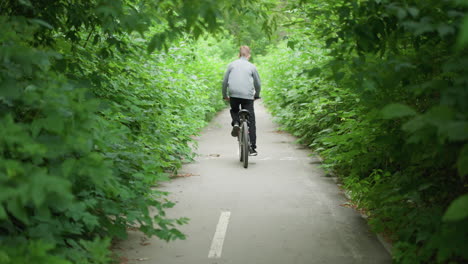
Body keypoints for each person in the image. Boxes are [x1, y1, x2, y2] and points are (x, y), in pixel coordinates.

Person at [222, 46, 261, 156]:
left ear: (238, 55)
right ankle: (252, 148)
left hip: (234, 94)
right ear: (249, 55)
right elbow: (258, 84)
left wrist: (225, 95)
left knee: (234, 109)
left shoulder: (231, 65)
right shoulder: (252, 66)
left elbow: (224, 82)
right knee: (251, 120)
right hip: (248, 96)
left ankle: (235, 122)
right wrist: (256, 95)